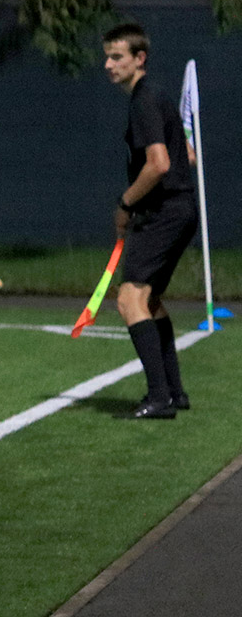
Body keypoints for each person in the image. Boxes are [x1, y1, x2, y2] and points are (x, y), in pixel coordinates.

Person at [102, 23, 198, 420]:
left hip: (164, 213)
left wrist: (125, 203)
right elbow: (187, 155)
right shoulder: (155, 96)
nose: (108, 65)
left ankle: (158, 398)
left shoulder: (144, 99)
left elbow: (159, 165)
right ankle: (174, 393)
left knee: (130, 300)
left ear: (139, 59)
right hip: (182, 210)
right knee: (150, 301)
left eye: (117, 57)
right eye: (107, 57)